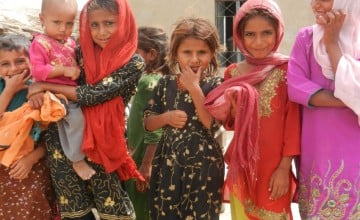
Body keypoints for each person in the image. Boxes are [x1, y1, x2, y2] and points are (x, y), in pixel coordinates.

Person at [26, 0, 145, 219]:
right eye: (94, 25)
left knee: (113, 205)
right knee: (74, 208)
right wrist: (37, 91)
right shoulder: (79, 52)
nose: (102, 32)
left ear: (124, 22)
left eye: (109, 23)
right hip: (62, 140)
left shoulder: (132, 62)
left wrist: (43, 86)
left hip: (103, 144)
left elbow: (92, 94)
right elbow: (47, 72)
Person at [204, 0, 301, 219]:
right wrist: (233, 112)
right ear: (238, 35)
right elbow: (228, 123)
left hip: (274, 170)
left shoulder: (288, 70)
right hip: (243, 170)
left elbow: (293, 122)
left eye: (267, 33)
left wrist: (284, 169)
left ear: (278, 32)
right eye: (250, 34)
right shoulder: (232, 73)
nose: (258, 42)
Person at [143, 17, 225, 220]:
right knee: (166, 212)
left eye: (202, 52)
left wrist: (194, 88)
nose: (194, 59)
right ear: (175, 54)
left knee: (201, 213)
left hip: (205, 166)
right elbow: (148, 123)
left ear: (212, 53)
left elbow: (212, 124)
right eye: (187, 52)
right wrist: (166, 118)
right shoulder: (165, 84)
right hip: (168, 164)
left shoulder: (216, 85)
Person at [287, 0, 360, 219]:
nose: (315, 4)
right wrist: (350, 98)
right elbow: (295, 86)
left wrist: (332, 43)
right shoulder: (305, 39)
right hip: (317, 149)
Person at [29, 0, 96, 181]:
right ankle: (77, 159)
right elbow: (37, 71)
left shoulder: (71, 44)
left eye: (69, 23)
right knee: (76, 120)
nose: (63, 28)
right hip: (51, 93)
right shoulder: (40, 43)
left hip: (68, 93)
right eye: (56, 22)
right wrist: (63, 70)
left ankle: (73, 154)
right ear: (42, 19)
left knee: (70, 123)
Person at [0, 34, 55, 219]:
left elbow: (53, 138)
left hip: (30, 166)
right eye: (5, 64)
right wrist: (9, 91)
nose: (13, 69)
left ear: (33, 61)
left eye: (20, 61)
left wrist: (31, 159)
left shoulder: (41, 92)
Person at [125, 26, 168, 220]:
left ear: (151, 54)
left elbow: (155, 129)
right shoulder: (154, 79)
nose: (129, 57)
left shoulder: (149, 82)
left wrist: (146, 165)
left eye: (134, 52)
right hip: (139, 153)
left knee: (140, 208)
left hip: (142, 156)